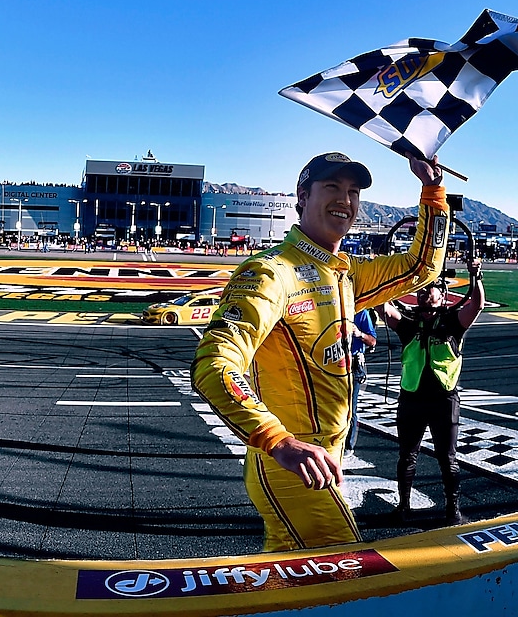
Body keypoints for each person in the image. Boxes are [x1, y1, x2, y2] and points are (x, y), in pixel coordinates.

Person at [191, 151, 450, 551]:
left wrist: (432, 192)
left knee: (295, 578)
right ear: (302, 196)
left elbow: (420, 268)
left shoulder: (344, 274)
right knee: (345, 575)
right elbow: (213, 363)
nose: (345, 200)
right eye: (331, 187)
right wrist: (279, 441)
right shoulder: (271, 272)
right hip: (290, 464)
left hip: (326, 456)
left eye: (353, 191)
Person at [377, 258, 485, 526]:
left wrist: (476, 276)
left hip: (443, 401)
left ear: (443, 295)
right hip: (411, 399)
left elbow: (477, 305)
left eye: (431, 288)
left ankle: (452, 508)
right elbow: (384, 309)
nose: (425, 293)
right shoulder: (409, 324)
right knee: (407, 456)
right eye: (422, 289)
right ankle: (403, 506)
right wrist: (384, 278)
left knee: (447, 457)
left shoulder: (452, 324)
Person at [344, 309, 376, 459]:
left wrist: (359, 334)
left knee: (351, 407)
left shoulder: (361, 313)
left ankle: (348, 445)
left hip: (353, 363)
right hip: (332, 362)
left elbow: (372, 340)